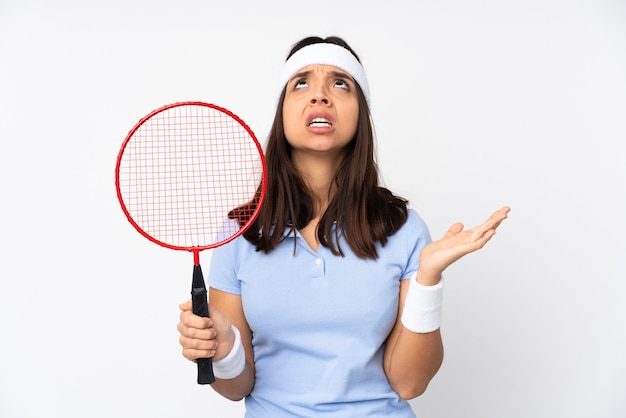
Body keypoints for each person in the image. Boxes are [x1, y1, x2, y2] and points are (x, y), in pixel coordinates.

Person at [177, 35, 510, 417]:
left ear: (360, 113)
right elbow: (238, 387)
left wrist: (428, 279)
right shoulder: (240, 231)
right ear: (281, 111)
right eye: (301, 82)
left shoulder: (401, 227)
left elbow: (410, 383)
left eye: (340, 83)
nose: (320, 95)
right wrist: (224, 349)